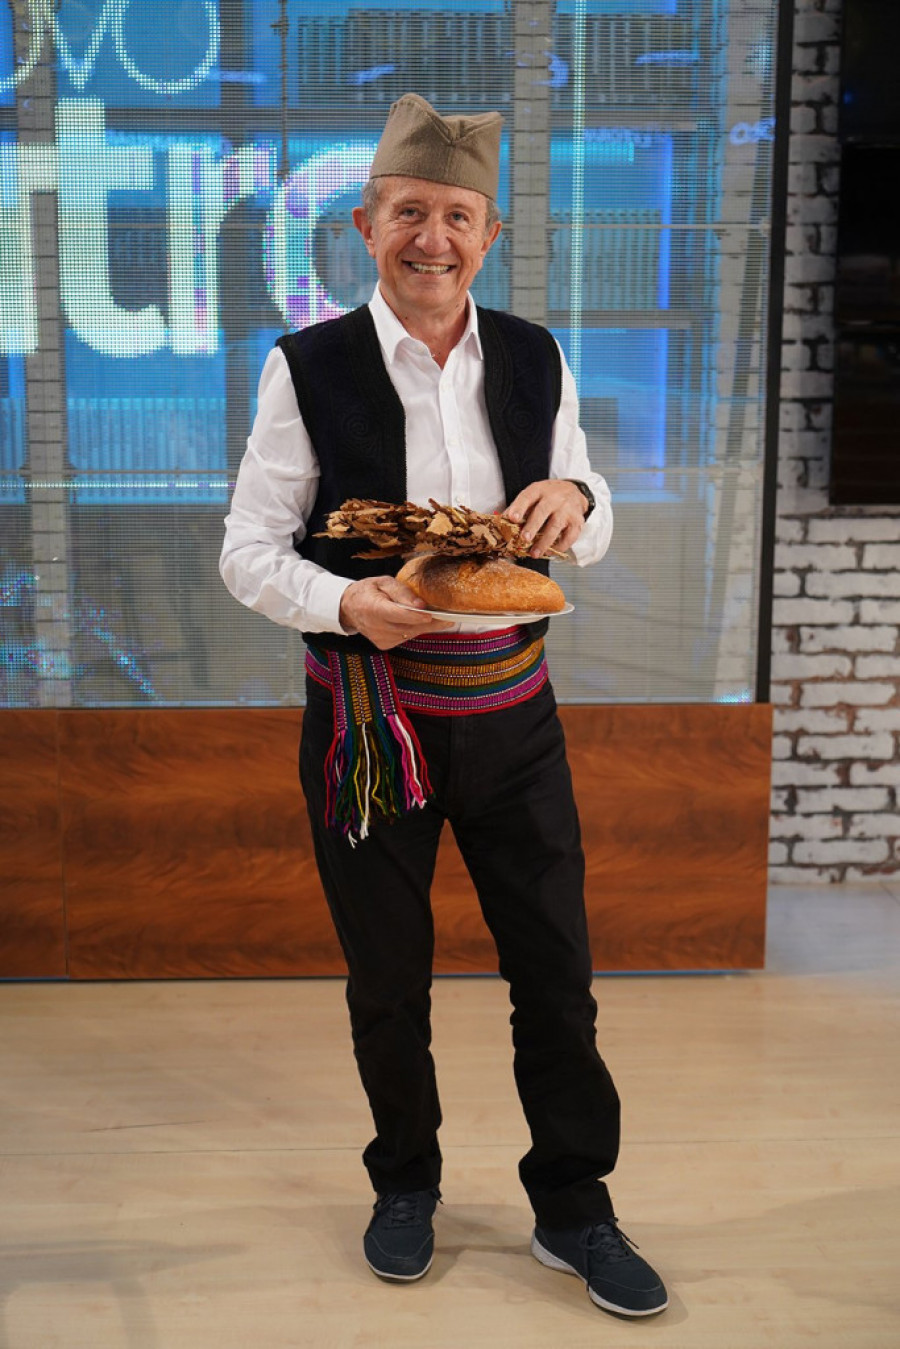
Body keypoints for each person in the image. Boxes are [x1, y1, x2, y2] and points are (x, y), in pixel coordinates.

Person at [220, 92, 667, 1319]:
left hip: (516, 720)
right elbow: (248, 550)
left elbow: (585, 499)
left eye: (459, 217)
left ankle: (574, 1205)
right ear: (366, 225)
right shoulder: (306, 366)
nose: (434, 238)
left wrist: (581, 500)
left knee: (556, 971)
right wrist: (345, 603)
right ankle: (405, 1182)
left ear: (491, 233)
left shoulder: (535, 355)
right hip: (373, 725)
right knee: (387, 978)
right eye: (410, 213)